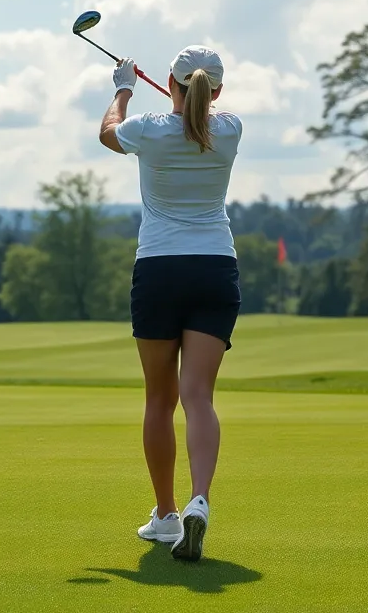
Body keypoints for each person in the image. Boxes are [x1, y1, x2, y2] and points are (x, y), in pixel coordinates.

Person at [99, 46, 242, 562]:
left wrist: (123, 88)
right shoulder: (231, 129)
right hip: (214, 269)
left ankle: (165, 515)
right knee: (197, 397)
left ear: (170, 81)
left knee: (159, 401)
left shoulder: (148, 129)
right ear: (217, 89)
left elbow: (108, 133)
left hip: (159, 269)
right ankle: (199, 499)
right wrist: (189, 106)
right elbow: (202, 119)